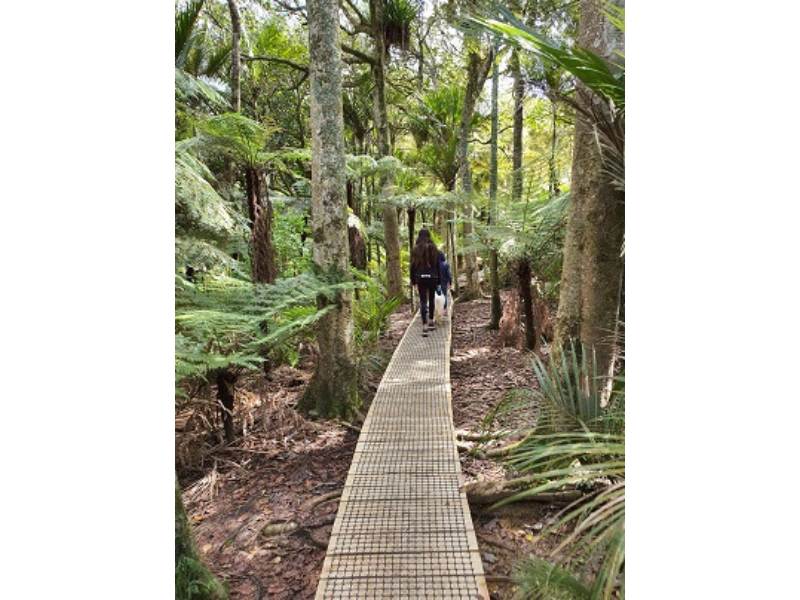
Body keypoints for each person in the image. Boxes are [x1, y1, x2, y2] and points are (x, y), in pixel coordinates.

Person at [410, 228, 440, 336]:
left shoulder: (415, 249)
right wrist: (439, 280)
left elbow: (413, 266)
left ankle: (424, 325)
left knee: (423, 301)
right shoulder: (434, 248)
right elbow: (437, 266)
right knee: (431, 298)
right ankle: (431, 320)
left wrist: (413, 281)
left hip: (420, 278)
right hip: (432, 277)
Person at [437, 250, 452, 316]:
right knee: (444, 295)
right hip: (444, 282)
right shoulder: (445, 264)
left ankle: (437, 311)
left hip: (436, 283)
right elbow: (448, 275)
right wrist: (450, 282)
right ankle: (444, 310)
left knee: (437, 296)